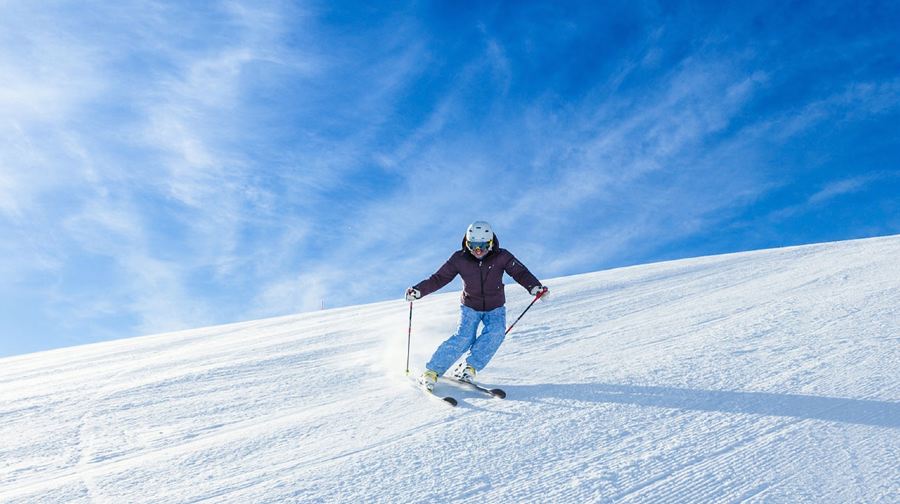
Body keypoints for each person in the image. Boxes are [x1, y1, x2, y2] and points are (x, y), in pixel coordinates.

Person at [405, 221, 548, 392]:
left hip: (495, 307)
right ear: (467, 243)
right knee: (464, 337)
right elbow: (439, 278)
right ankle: (432, 371)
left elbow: (520, 272)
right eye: (473, 245)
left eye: (482, 246)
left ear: (490, 243)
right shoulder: (459, 259)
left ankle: (468, 368)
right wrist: (419, 290)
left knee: (495, 333)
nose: (478, 250)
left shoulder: (502, 256)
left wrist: (534, 286)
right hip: (470, 306)